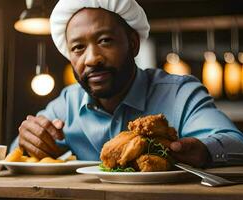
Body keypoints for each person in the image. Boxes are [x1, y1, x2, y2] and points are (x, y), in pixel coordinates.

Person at [12, 0, 243, 168]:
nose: (92, 58)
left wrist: (203, 151)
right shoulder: (66, 104)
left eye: (105, 41)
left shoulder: (181, 94)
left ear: (133, 44)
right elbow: (13, 155)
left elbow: (236, 145)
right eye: (78, 48)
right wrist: (28, 142)